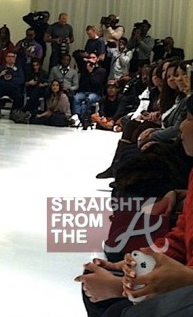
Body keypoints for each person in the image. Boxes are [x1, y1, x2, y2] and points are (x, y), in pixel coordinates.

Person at [75, 94, 193, 317]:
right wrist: (135, 261)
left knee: (118, 310)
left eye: (189, 119)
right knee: (94, 281)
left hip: (184, 286)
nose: (182, 127)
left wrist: (122, 287)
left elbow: (182, 280)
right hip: (180, 276)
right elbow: (179, 237)